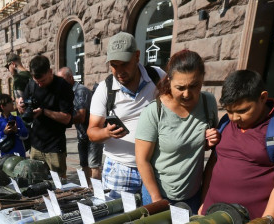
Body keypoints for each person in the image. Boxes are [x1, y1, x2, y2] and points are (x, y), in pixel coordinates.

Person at [200, 70, 274, 224]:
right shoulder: (227, 122)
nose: (234, 118)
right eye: (229, 110)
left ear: (262, 98)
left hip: (251, 223)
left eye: (242, 111)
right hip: (211, 214)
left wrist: (266, 222)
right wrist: (203, 202)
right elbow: (215, 163)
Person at [135, 50, 219, 213]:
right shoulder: (155, 111)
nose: (187, 94)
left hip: (193, 194)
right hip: (158, 193)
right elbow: (142, 160)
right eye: (180, 88)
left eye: (194, 86)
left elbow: (205, 146)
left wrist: (212, 140)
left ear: (202, 79)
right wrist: (156, 199)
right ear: (169, 81)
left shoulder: (208, 103)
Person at [88, 32, 165, 195]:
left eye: (124, 64)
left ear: (137, 56)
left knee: (154, 218)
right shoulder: (104, 89)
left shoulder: (157, 76)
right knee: (119, 218)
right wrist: (106, 132)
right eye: (114, 65)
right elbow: (91, 132)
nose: (119, 71)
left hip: (155, 167)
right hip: (119, 169)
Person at [22, 55, 74, 178]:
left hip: (54, 146)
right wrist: (20, 105)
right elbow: (24, 106)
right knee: (35, 181)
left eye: (43, 81)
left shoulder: (63, 87)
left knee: (59, 185)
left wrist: (44, 112)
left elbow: (67, 118)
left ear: (50, 72)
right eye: (37, 82)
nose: (39, 85)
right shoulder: (31, 84)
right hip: (36, 145)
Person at [56, 67, 104, 181]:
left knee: (94, 165)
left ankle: (96, 193)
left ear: (70, 77)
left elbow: (81, 116)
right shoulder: (68, 92)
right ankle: (88, 190)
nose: (60, 82)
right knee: (84, 165)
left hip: (93, 133)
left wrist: (64, 119)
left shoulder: (80, 91)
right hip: (82, 134)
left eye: (62, 79)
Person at [0, 93, 28, 158]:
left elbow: (26, 135)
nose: (12, 103)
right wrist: (4, 132)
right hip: (6, 157)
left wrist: (17, 130)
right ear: (3, 107)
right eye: (10, 102)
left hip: (20, 155)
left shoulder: (17, 119)